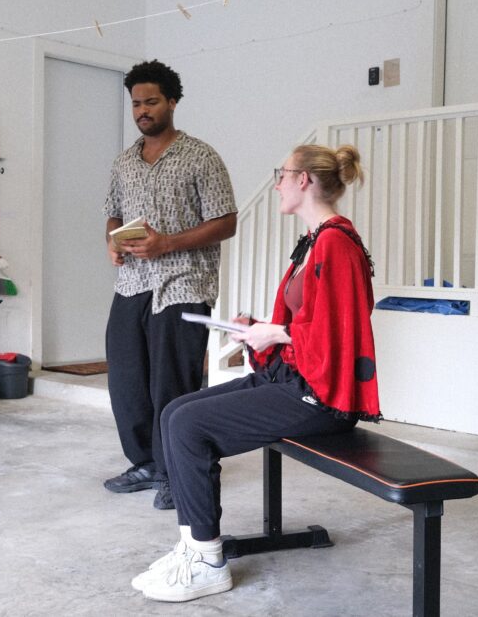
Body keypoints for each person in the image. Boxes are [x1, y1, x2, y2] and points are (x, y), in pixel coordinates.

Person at [132, 143, 381, 603]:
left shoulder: (336, 244)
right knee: (175, 412)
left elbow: (338, 336)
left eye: (282, 174)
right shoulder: (314, 242)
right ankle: (193, 546)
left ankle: (208, 560)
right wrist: (264, 331)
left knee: (189, 424)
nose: (277, 183)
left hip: (320, 396)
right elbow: (307, 323)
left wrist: (278, 336)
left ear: (303, 180)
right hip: (293, 379)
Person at [102, 60, 237, 511]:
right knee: (126, 379)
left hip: (183, 284)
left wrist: (168, 245)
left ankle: (175, 473)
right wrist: (112, 239)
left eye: (151, 101)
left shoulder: (201, 156)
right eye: (136, 103)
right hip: (132, 282)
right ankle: (144, 462)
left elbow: (226, 222)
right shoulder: (124, 161)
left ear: (172, 102)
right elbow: (114, 209)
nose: (142, 110)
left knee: (172, 386)